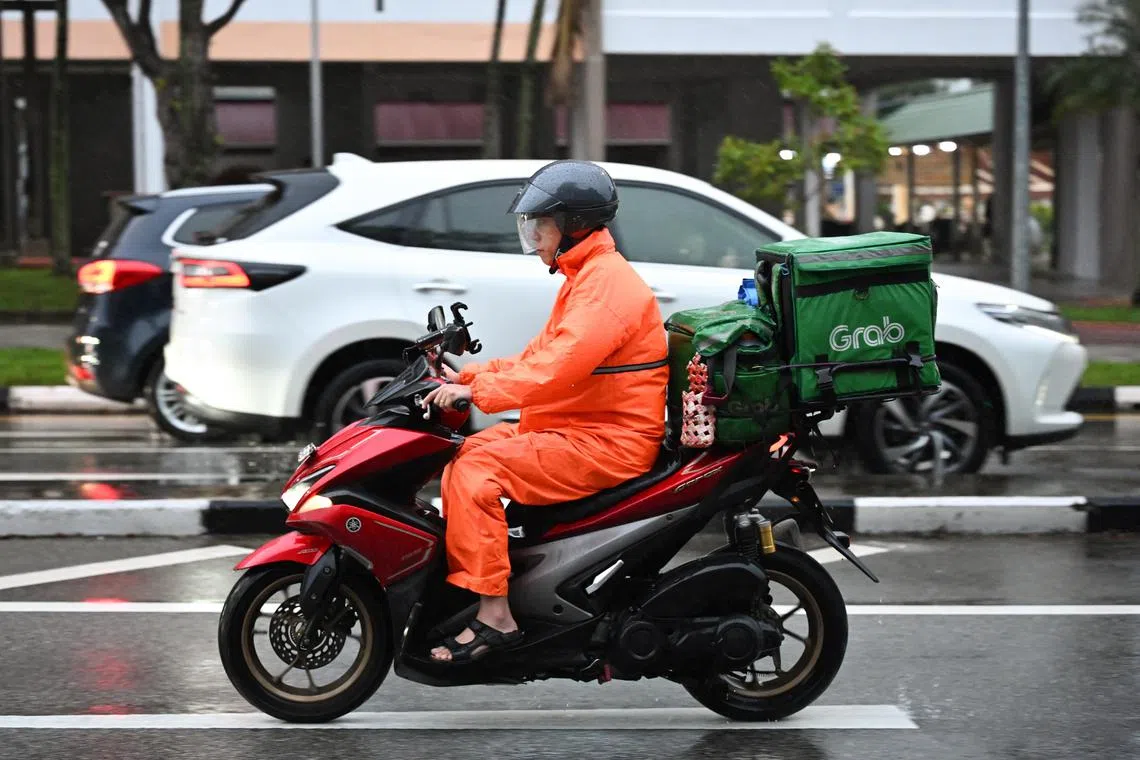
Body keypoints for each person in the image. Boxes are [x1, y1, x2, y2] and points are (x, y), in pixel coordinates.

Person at [422, 160, 669, 664]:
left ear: (574, 225)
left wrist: (480, 395)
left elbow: (557, 369)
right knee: (467, 451)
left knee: (476, 468)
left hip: (606, 442)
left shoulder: (606, 287)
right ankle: (503, 579)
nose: (533, 237)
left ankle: (497, 617)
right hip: (576, 427)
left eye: (542, 225)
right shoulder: (585, 278)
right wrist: (469, 376)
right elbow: (539, 355)